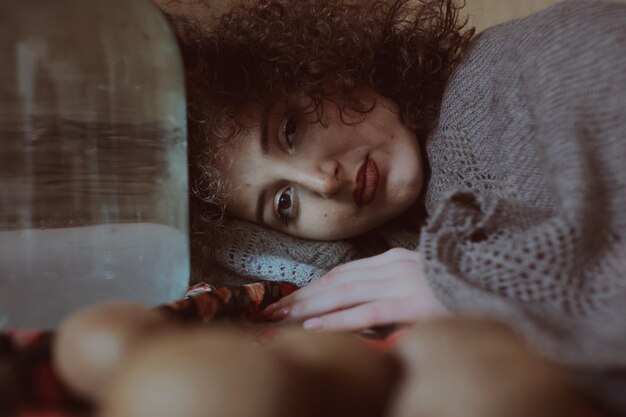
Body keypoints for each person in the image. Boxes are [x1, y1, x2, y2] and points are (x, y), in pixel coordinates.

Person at [164, 0, 626, 369]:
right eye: (284, 203)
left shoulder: (515, 71)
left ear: (320, 67)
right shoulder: (414, 232)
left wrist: (471, 285)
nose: (322, 182)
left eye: (290, 131)